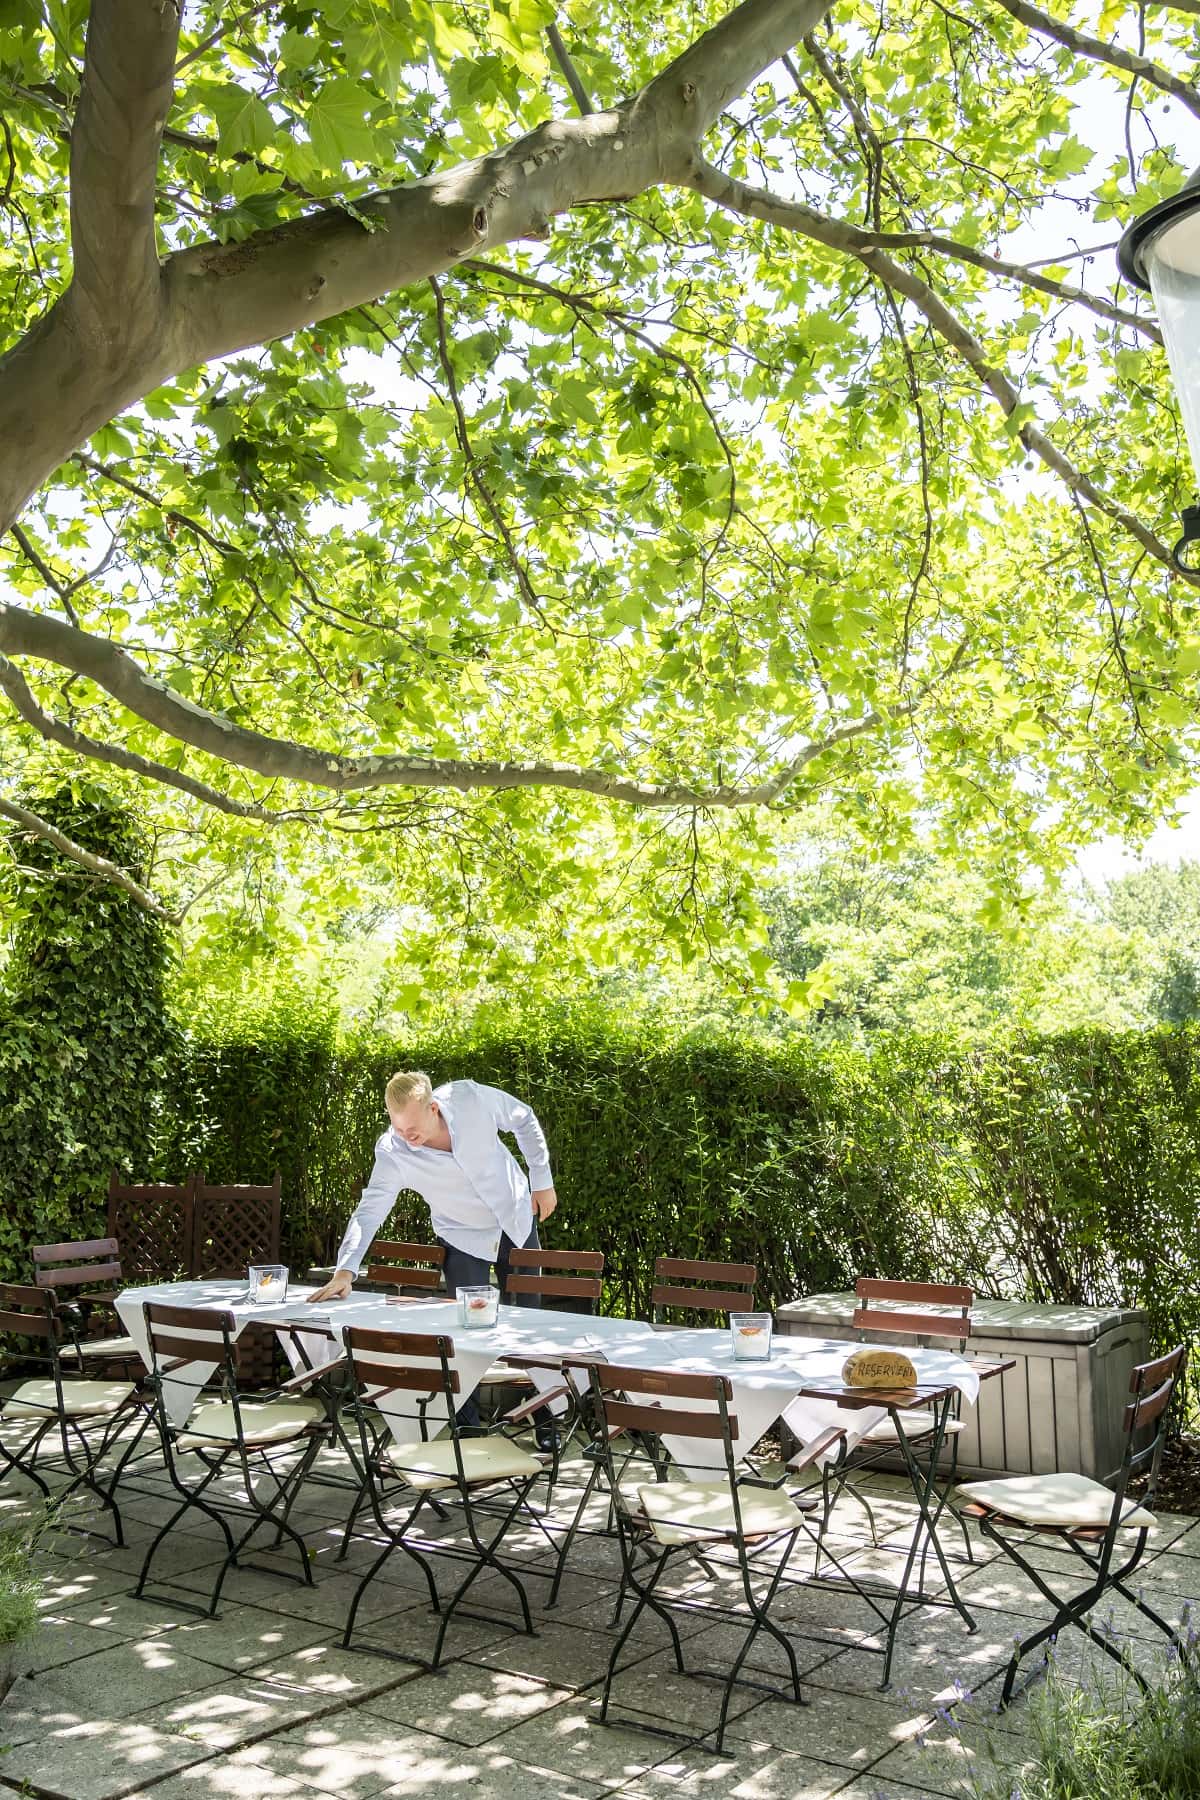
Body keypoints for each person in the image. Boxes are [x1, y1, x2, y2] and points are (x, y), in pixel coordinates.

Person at [307, 1069, 559, 1438]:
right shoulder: (393, 1151)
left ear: (434, 1108)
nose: (407, 1137)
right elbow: (371, 1208)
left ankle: (545, 1418)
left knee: (528, 1325)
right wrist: (346, 1269)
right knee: (465, 1333)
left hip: (515, 1218)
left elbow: (523, 1118)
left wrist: (542, 1180)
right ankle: (467, 1428)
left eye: (413, 1127)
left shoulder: (470, 1097)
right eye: (398, 1128)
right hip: (461, 1235)